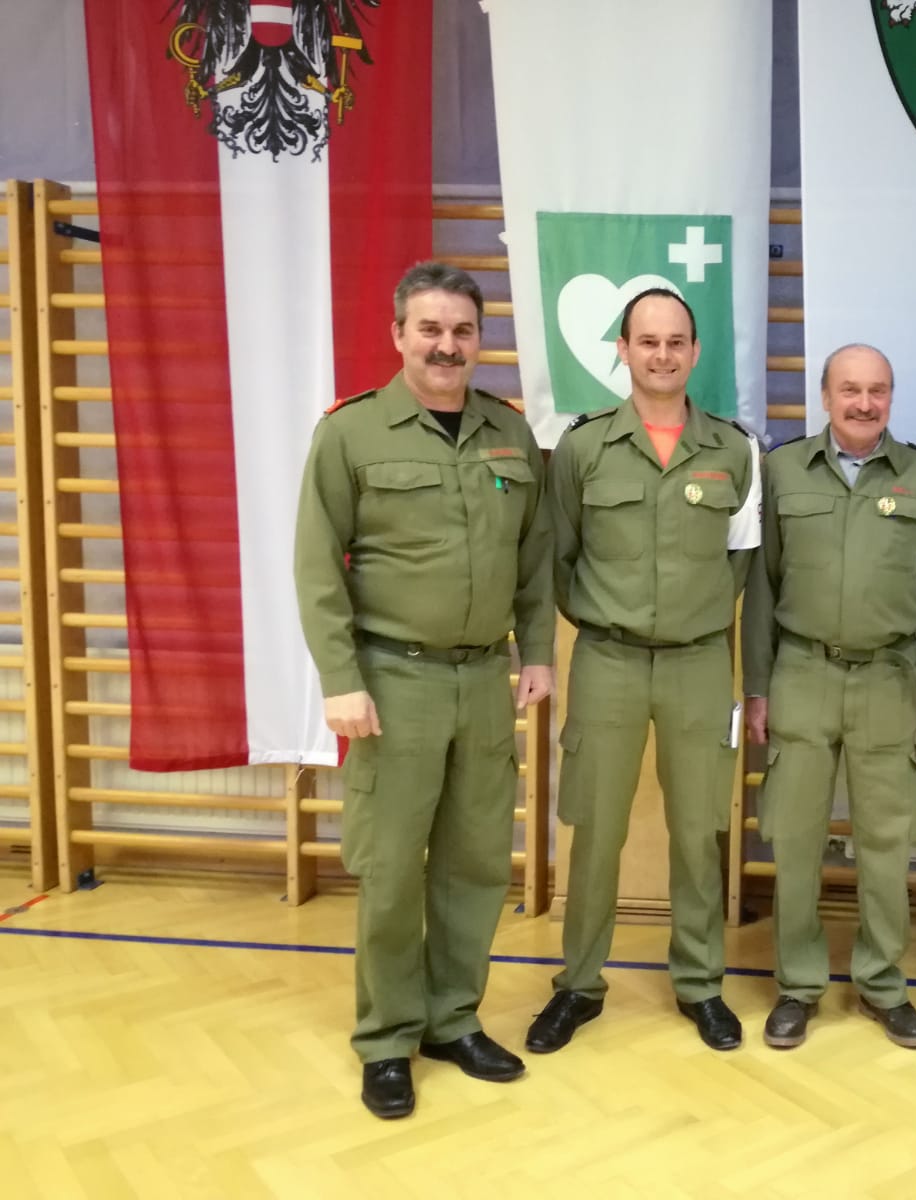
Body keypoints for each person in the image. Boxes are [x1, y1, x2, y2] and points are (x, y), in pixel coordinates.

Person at [294, 261, 555, 1120]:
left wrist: (538, 654)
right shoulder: (352, 433)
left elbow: (535, 561)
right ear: (399, 335)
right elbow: (317, 569)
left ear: (480, 340)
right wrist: (341, 680)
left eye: (462, 331)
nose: (447, 345)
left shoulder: (509, 434)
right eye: (430, 329)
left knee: (475, 863)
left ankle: (452, 1020)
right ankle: (385, 1038)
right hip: (392, 682)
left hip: (483, 682)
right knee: (391, 867)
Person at [525, 288, 761, 1053]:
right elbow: (557, 556)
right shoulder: (584, 448)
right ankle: (578, 984)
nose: (663, 354)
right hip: (609, 662)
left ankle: (700, 984)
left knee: (699, 829)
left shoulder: (734, 451)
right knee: (594, 827)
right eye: (648, 341)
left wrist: (693, 615)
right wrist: (609, 615)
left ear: (695, 353)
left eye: (676, 341)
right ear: (622, 350)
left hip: (699, 665)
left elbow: (743, 561)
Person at [742, 344, 916, 1050]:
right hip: (802, 673)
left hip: (890, 679)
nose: (864, 403)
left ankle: (883, 984)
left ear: (891, 396)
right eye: (850, 390)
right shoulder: (781, 470)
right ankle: (798, 986)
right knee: (796, 837)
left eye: (877, 390)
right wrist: (757, 687)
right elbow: (762, 586)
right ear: (825, 396)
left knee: (887, 844)